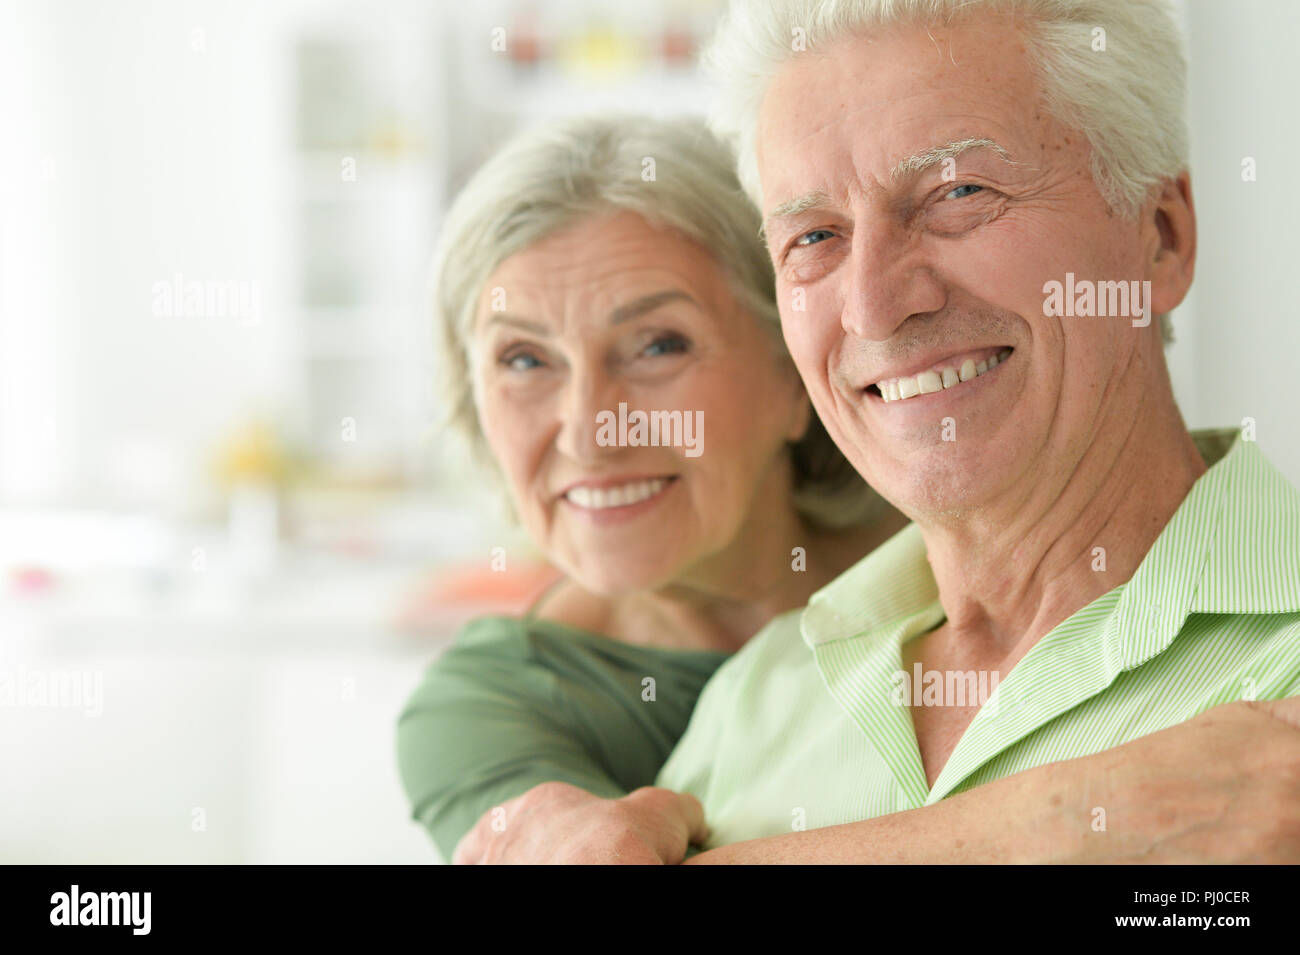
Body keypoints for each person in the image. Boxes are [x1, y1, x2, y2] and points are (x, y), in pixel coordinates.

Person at [401, 111, 1300, 866]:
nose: (595, 427)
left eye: (659, 345)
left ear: (793, 369)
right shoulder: (499, 701)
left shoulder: (986, 518)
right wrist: (1086, 819)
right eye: (522, 359)